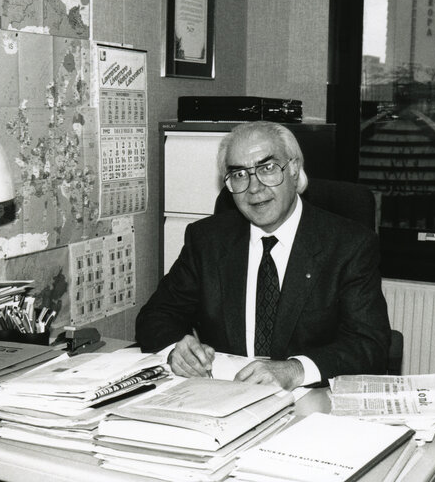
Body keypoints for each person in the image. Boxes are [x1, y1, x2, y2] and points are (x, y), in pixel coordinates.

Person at [136, 121, 391, 391]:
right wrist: (177, 349)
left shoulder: (349, 245)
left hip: (310, 403)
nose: (253, 187)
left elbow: (369, 345)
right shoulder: (207, 240)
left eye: (267, 168)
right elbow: (155, 316)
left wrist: (295, 370)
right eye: (239, 175)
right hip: (226, 398)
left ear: (294, 168)